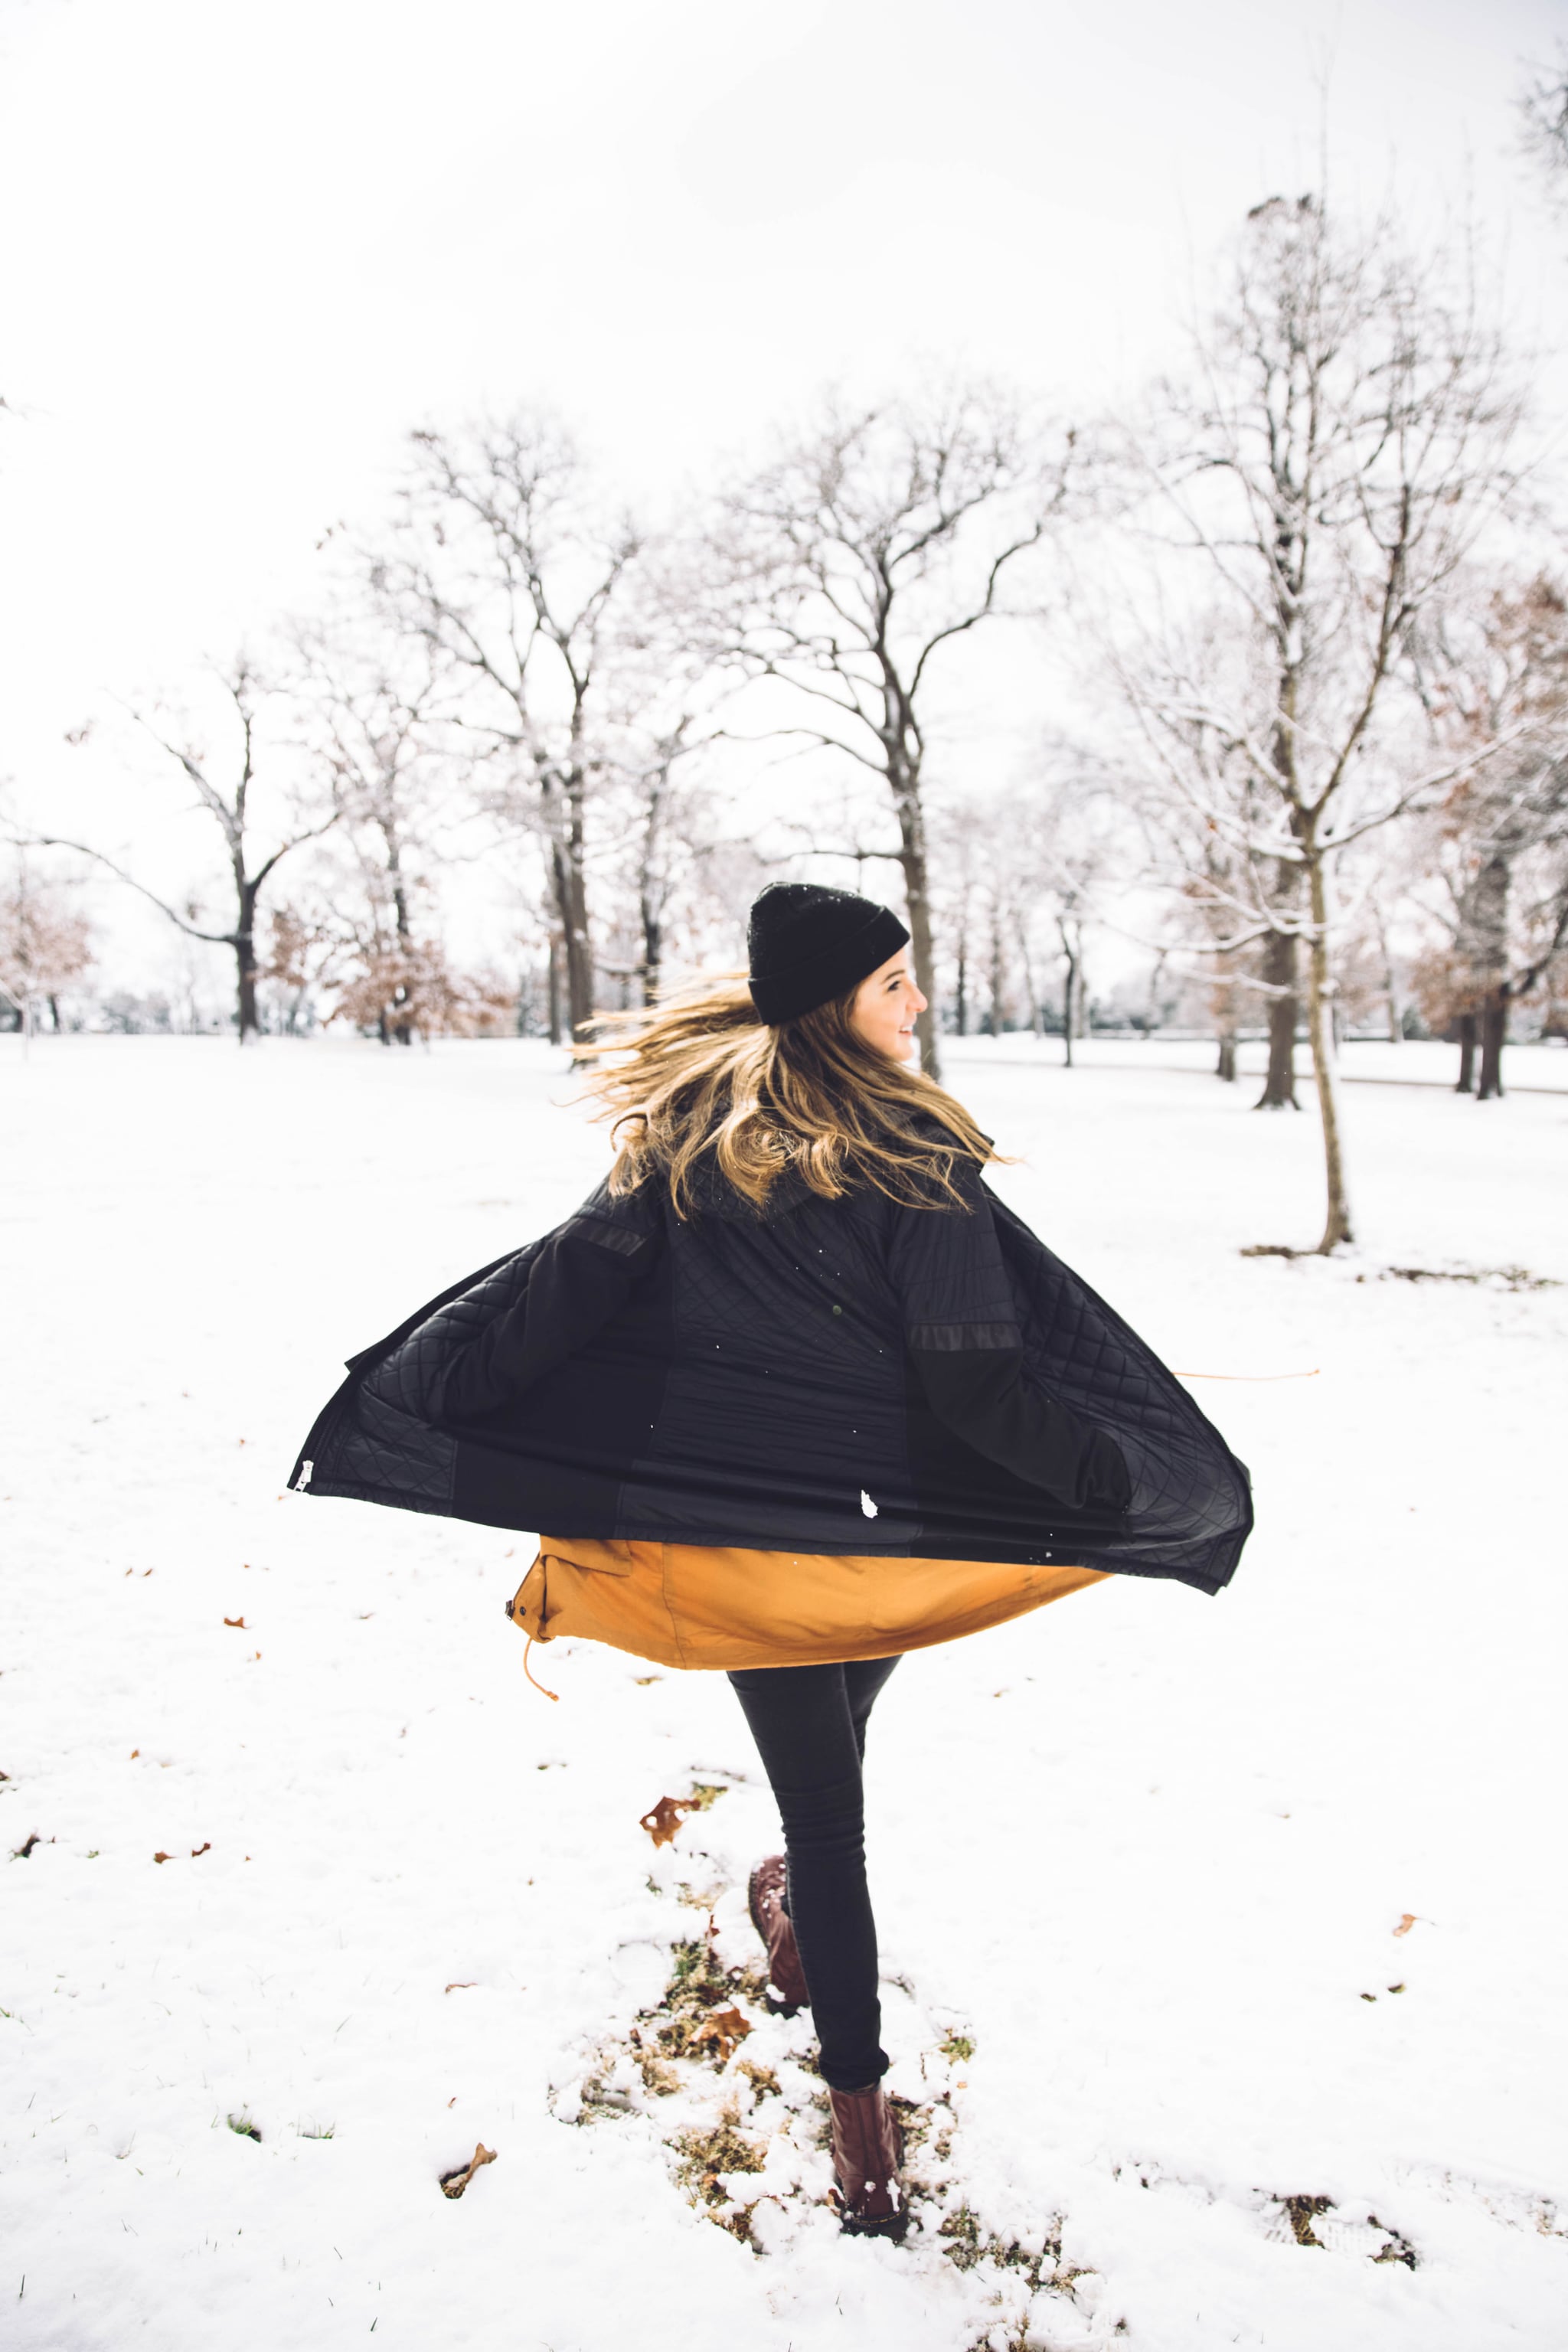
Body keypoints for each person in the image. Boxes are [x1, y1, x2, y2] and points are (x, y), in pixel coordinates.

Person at [290, 882, 1253, 2237]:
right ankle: (865, 2143)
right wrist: (1113, 1482)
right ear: (831, 1007)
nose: (916, 1002)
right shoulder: (912, 1158)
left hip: (743, 1553)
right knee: (835, 1819)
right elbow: (976, 1389)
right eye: (892, 985)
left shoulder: (683, 1147)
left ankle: (796, 1907)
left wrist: (445, 1382)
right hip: (865, 1546)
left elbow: (560, 1294)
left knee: (831, 1775)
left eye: (910, 979)